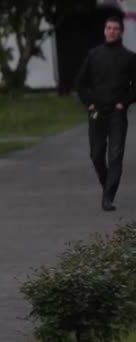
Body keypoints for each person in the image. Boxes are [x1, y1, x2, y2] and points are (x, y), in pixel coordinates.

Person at [75, 16, 136, 211]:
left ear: (121, 32)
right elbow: (80, 83)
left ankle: (108, 198)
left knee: (116, 155)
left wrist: (124, 103)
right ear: (104, 31)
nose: (112, 31)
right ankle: (106, 185)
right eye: (109, 28)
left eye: (116, 28)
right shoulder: (94, 55)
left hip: (117, 113)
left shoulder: (129, 57)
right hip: (97, 113)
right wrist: (90, 104)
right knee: (96, 155)